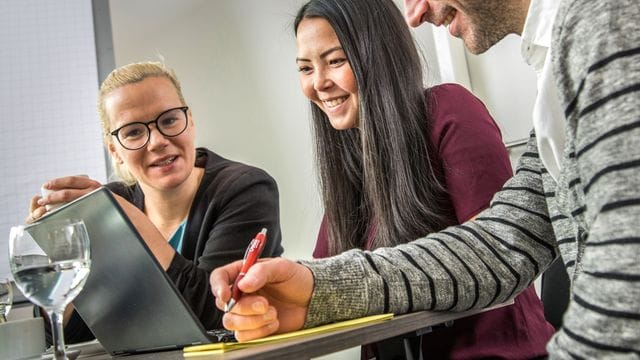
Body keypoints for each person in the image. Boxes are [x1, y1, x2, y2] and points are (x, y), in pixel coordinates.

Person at [210, 0, 640, 358]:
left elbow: (626, 284)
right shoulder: (557, 80)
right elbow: (500, 245)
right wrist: (317, 287)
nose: (414, 14)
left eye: (336, 60)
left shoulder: (607, 23)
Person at [292, 0, 553, 358]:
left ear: (378, 56)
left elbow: (496, 252)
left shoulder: (449, 110)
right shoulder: (351, 162)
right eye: (305, 68)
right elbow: (326, 277)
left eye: (336, 61)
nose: (319, 83)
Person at [28, 61, 284, 343]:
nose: (157, 141)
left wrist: (127, 225)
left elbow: (216, 318)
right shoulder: (114, 202)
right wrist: (62, 265)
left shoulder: (246, 188)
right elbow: (73, 336)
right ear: (115, 150)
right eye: (134, 132)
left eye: (169, 120)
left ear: (191, 121)